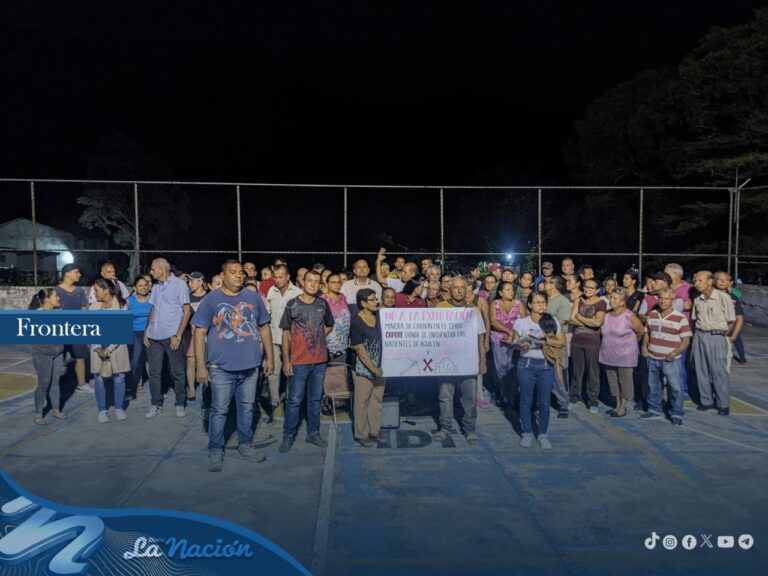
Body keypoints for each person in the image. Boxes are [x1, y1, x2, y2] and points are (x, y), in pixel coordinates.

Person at [193, 259, 274, 472]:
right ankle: (215, 449)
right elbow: (199, 333)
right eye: (233, 272)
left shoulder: (253, 298)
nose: (239, 275)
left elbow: (264, 328)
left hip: (250, 367)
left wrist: (270, 358)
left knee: (247, 408)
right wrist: (201, 367)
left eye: (241, 272)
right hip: (220, 368)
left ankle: (245, 445)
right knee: (219, 410)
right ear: (223, 275)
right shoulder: (211, 300)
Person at [279, 270, 335, 453]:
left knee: (315, 400)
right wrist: (286, 360)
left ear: (320, 284)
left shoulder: (322, 304)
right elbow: (285, 332)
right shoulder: (292, 304)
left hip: (319, 361)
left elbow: (329, 325)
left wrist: (317, 336)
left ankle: (313, 433)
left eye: (316, 281)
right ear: (302, 282)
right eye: (309, 280)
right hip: (298, 361)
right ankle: (288, 435)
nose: (312, 284)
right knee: (294, 400)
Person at [433, 277, 487, 445]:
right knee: (445, 395)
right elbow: (432, 332)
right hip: (446, 359)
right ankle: (446, 427)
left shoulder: (474, 310)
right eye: (455, 288)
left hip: (468, 360)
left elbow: (480, 337)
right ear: (449, 289)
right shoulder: (440, 307)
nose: (458, 291)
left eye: (462, 288)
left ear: (466, 290)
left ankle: (470, 430)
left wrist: (482, 360)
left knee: (470, 397)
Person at [512, 292, 565, 449]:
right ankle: (527, 433)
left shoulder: (551, 321)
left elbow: (561, 341)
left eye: (543, 302)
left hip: (545, 365)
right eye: (537, 302)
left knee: (544, 401)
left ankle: (542, 434)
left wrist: (544, 341)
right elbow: (513, 342)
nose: (541, 305)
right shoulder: (521, 323)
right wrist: (520, 345)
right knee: (526, 400)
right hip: (526, 364)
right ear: (530, 305)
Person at [144, 258, 191, 419]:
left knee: (177, 371)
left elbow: (186, 311)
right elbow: (154, 308)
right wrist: (146, 331)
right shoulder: (156, 286)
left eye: (152, 269)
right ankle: (156, 404)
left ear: (162, 269)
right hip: (153, 337)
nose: (150, 272)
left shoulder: (180, 285)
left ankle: (180, 403)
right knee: (154, 372)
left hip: (171, 336)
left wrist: (178, 335)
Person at [640, 287, 691, 425]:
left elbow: (686, 340)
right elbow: (647, 333)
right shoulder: (652, 315)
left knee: (675, 387)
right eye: (660, 298)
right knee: (654, 385)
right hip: (653, 356)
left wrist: (674, 353)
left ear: (673, 301)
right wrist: (644, 347)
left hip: (671, 359)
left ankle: (676, 413)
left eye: (666, 298)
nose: (662, 301)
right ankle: (654, 409)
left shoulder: (680, 318)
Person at [691, 271, 735, 415]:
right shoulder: (698, 299)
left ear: (710, 281)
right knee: (701, 369)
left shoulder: (723, 297)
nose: (696, 283)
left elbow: (731, 320)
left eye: (700, 280)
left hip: (716, 336)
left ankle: (723, 403)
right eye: (695, 281)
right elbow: (694, 319)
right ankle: (706, 401)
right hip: (699, 335)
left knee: (719, 371)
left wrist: (721, 335)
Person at [90, 279, 131, 423]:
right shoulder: (93, 306)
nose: (94, 293)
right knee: (99, 380)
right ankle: (102, 410)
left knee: (119, 378)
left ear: (106, 290)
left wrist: (109, 348)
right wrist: (97, 348)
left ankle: (119, 408)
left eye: (96, 290)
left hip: (117, 347)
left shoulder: (122, 305)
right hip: (98, 348)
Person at [599, 287, 644, 417]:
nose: (611, 300)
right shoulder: (606, 315)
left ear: (622, 302)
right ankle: (617, 404)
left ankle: (623, 406)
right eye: (611, 298)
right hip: (608, 353)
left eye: (614, 298)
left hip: (625, 354)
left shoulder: (629, 316)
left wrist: (631, 343)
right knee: (612, 380)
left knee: (625, 381)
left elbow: (640, 331)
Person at [350, 288, 387, 447]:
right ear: (363, 303)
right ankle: (361, 434)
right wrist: (373, 368)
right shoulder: (356, 321)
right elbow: (359, 348)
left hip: (381, 366)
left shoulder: (379, 316)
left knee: (376, 400)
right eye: (372, 300)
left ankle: (374, 431)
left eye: (376, 298)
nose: (376, 301)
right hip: (363, 369)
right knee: (362, 402)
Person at [265, 264, 303, 415]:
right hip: (274, 337)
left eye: (281, 277)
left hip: (292, 340)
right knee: (273, 370)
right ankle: (274, 401)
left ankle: (290, 399)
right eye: (276, 277)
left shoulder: (298, 293)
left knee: (290, 371)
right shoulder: (271, 291)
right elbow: (268, 313)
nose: (278, 280)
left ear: (288, 277)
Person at [29, 289, 67, 424]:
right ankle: (38, 413)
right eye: (56, 296)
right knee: (44, 383)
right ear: (46, 299)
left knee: (55, 383)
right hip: (42, 354)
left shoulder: (59, 311)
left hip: (58, 352)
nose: (58, 298)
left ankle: (56, 409)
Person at [569, 278, 606, 413]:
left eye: (591, 288)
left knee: (593, 372)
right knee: (576, 371)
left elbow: (598, 323)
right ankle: (573, 396)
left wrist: (581, 317)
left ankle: (593, 401)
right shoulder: (578, 300)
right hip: (577, 341)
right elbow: (572, 319)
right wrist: (588, 321)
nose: (587, 289)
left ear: (597, 290)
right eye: (586, 287)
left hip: (592, 342)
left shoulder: (601, 303)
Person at [54, 263, 92, 393]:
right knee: (57, 360)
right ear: (67, 273)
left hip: (77, 331)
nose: (79, 275)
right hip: (61, 331)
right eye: (76, 272)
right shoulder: (56, 291)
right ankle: (53, 385)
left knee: (80, 358)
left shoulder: (80, 291)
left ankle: (81, 384)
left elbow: (83, 310)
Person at [489, 281, 526, 407]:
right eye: (507, 289)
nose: (511, 292)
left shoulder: (518, 303)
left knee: (513, 368)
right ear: (500, 292)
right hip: (498, 340)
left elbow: (524, 320)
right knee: (501, 369)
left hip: (515, 341)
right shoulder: (495, 304)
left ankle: (512, 397)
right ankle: (502, 395)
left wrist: (514, 334)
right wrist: (507, 330)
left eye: (512, 289)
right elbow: (493, 321)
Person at [543, 275, 571, 418]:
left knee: (558, 376)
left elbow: (561, 322)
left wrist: (545, 331)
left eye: (548, 282)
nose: (545, 284)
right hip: (543, 342)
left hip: (556, 343)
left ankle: (563, 403)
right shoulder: (543, 299)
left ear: (554, 285)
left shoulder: (563, 302)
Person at [184, 271, 208, 400]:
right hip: (192, 334)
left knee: (206, 361)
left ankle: (206, 387)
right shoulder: (187, 297)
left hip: (208, 334)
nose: (189, 283)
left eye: (192, 280)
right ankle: (191, 389)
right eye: (188, 281)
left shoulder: (209, 297)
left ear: (200, 282)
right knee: (191, 361)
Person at [714, 271, 746, 365]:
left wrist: (733, 336)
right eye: (719, 279)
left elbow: (739, 319)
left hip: (728, 333)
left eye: (725, 280)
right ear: (714, 281)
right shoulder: (707, 296)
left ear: (729, 282)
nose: (722, 282)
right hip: (712, 335)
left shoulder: (733, 298)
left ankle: (742, 357)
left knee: (724, 366)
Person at [127, 276, 152, 397]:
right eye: (140, 286)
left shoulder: (153, 299)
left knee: (153, 361)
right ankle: (136, 383)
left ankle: (157, 387)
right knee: (136, 360)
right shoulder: (129, 301)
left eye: (145, 285)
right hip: (135, 333)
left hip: (151, 332)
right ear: (135, 288)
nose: (143, 288)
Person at [320, 273, 351, 363]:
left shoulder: (343, 297)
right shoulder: (322, 299)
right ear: (327, 284)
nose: (337, 285)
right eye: (333, 282)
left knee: (341, 373)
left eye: (339, 282)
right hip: (328, 344)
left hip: (344, 343)